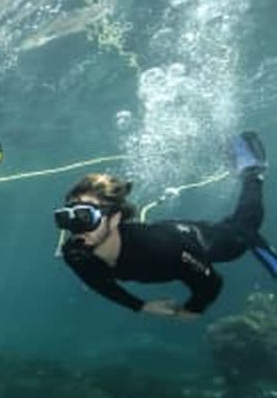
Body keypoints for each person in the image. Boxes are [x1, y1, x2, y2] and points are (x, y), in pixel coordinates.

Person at [55, 131, 275, 319]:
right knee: (233, 228)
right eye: (66, 218)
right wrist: (141, 306)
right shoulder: (75, 254)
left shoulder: (164, 250)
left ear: (115, 218)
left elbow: (212, 283)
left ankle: (252, 173)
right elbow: (100, 285)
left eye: (84, 217)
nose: (75, 229)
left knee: (245, 227)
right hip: (168, 232)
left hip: (196, 241)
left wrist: (192, 310)